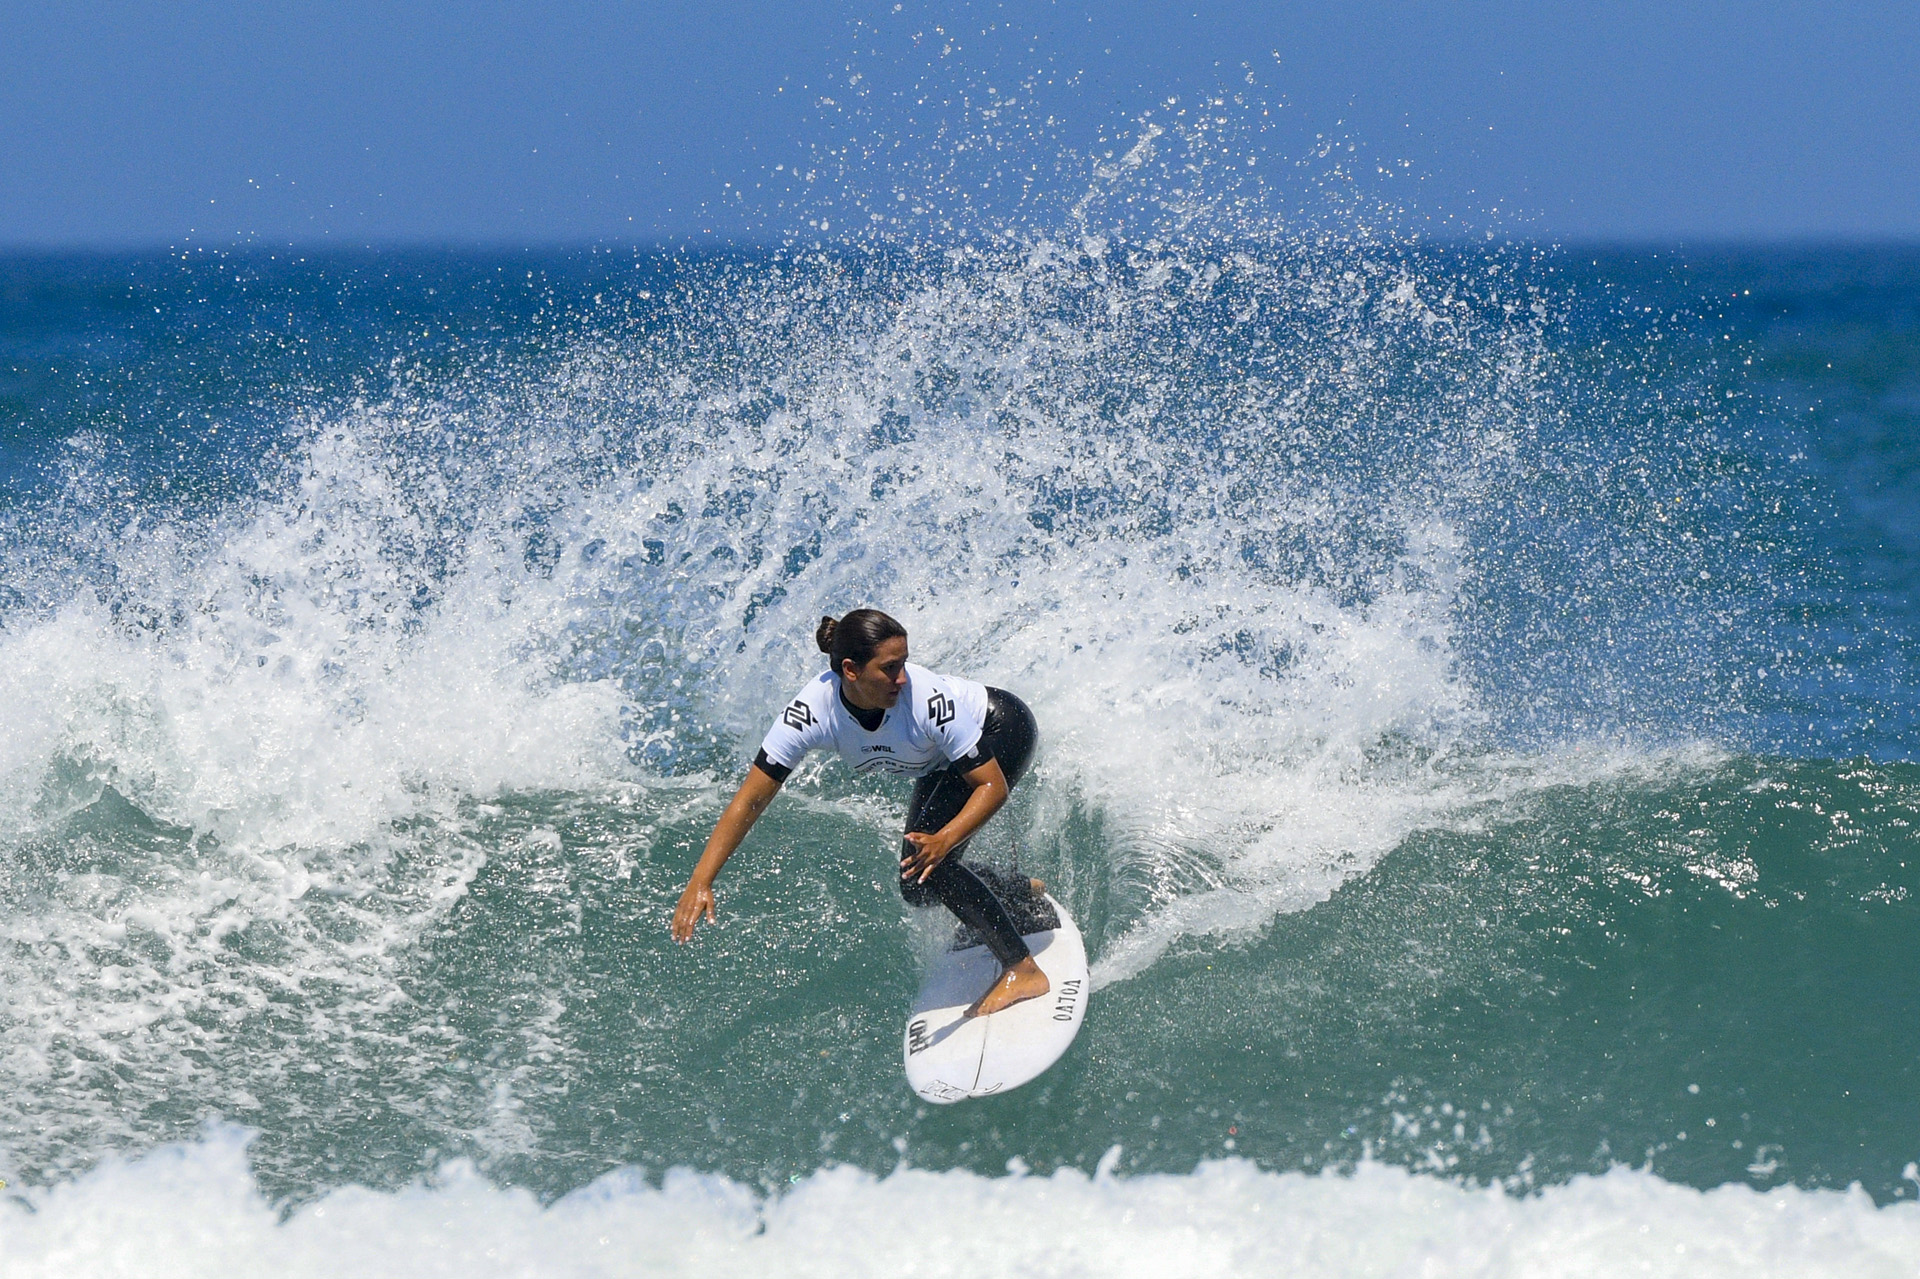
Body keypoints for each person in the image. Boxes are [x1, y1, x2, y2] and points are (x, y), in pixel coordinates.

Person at [671, 608, 1050, 1017]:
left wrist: (945, 839)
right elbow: (749, 799)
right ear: (850, 670)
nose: (902, 677)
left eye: (903, 664)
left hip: (1001, 729)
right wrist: (701, 880)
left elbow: (991, 787)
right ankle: (1012, 893)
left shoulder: (926, 699)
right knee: (916, 886)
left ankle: (1023, 969)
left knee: (934, 866)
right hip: (940, 760)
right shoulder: (811, 712)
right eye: (889, 668)